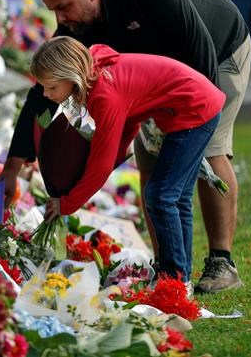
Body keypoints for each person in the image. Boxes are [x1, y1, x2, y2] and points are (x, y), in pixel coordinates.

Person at [3, 0, 251, 293]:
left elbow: (200, 51)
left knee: (209, 152)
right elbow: (42, 95)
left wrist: (191, 130)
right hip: (157, 89)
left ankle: (221, 262)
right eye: (53, 11)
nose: (59, 19)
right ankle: (169, 266)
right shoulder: (75, 33)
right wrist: (14, 165)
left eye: (62, 7)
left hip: (216, 56)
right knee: (150, 164)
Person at [33, 36, 224, 288]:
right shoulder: (96, 75)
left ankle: (175, 281)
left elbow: (101, 163)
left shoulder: (104, 93)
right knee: (174, 197)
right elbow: (131, 119)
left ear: (70, 75)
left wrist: (67, 203)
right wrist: (115, 153)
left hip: (194, 109)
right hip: (193, 104)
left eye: (51, 87)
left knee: (160, 195)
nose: (46, 94)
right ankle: (179, 278)